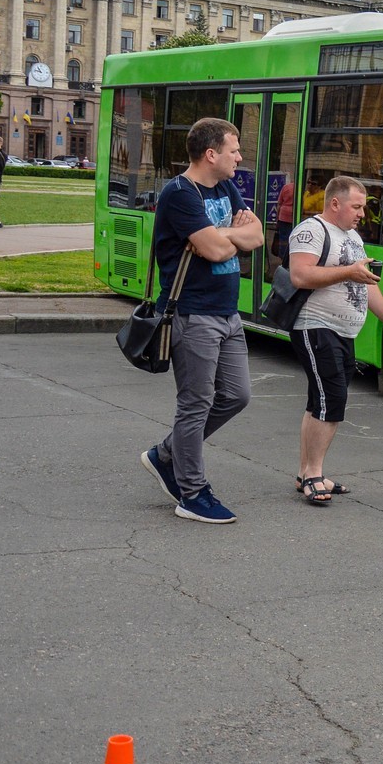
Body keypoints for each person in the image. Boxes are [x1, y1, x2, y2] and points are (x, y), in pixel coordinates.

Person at [138, 118, 264, 523]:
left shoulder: (226, 187)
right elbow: (213, 251)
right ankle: (191, 493)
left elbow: (258, 236)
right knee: (195, 405)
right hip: (193, 315)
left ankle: (165, 454)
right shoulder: (179, 194)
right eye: (234, 149)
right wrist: (229, 237)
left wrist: (220, 236)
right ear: (211, 154)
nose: (240, 157)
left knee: (236, 396)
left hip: (228, 314)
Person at [286, 175, 383, 504]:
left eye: (363, 207)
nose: (362, 214)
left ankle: (307, 472)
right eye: (357, 206)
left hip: (343, 330)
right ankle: (313, 475)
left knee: (319, 400)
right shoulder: (312, 230)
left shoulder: (352, 236)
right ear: (335, 203)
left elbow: (368, 284)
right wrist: (349, 271)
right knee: (332, 400)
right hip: (315, 325)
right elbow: (301, 274)